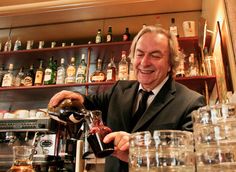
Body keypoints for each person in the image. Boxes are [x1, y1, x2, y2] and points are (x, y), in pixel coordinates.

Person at [48, 25, 206, 172]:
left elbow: (195, 159)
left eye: (155, 55)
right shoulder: (119, 89)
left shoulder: (191, 102)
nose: (144, 62)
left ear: (171, 63)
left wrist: (141, 151)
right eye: (139, 54)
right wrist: (77, 97)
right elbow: (90, 104)